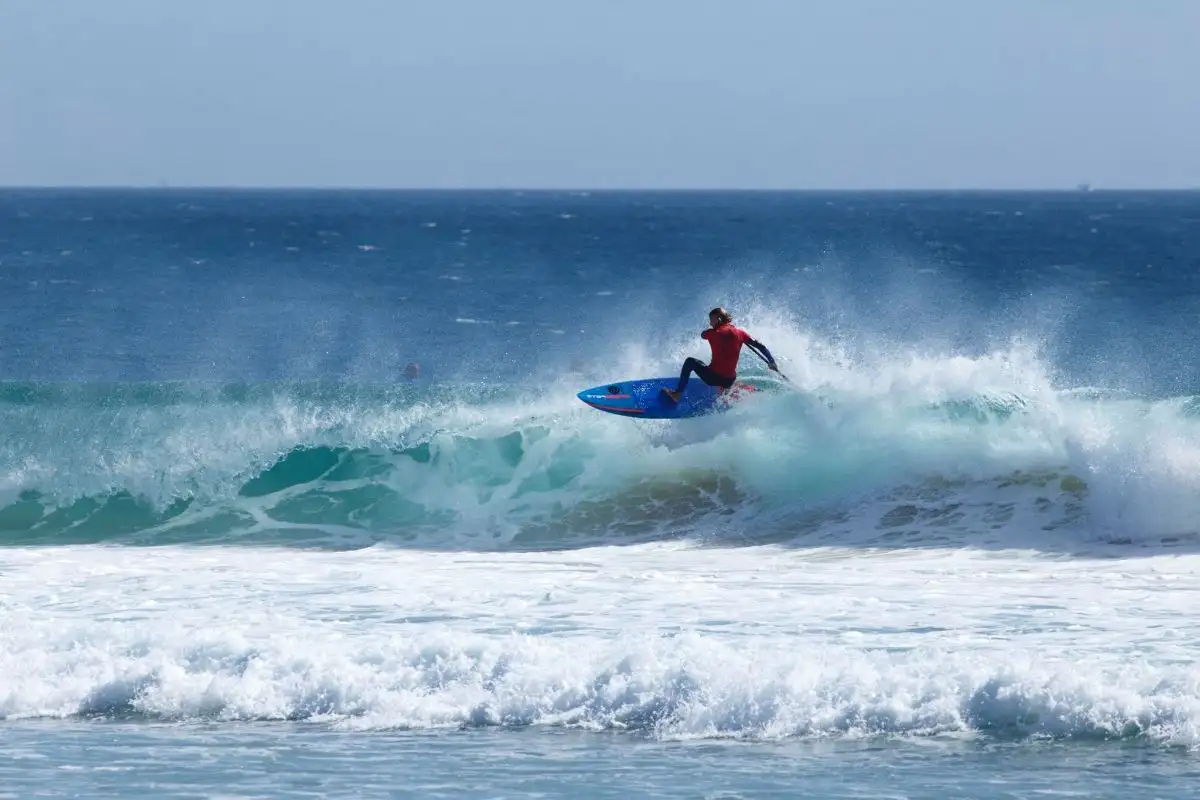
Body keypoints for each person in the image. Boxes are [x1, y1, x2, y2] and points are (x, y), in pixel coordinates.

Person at [661, 307, 778, 402]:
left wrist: (710, 331)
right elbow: (761, 347)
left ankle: (676, 394)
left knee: (690, 361)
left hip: (713, 378)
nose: (710, 323)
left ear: (718, 319)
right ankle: (727, 390)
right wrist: (771, 362)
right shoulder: (741, 333)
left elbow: (703, 335)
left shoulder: (713, 333)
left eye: (711, 319)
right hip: (730, 379)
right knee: (725, 373)